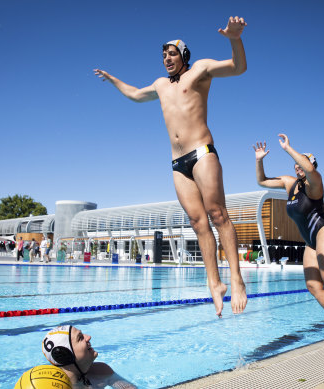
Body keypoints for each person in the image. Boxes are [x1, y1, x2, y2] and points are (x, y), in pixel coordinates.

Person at [94, 16, 248, 316]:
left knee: (217, 214)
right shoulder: (161, 85)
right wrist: (114, 80)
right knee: (197, 222)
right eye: (164, 54)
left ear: (184, 56)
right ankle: (214, 282)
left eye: (172, 53)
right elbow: (136, 96)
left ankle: (237, 278)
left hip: (202, 152)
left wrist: (234, 38)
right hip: (178, 163)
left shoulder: (200, 71)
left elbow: (238, 67)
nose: (167, 58)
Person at [253, 135, 324, 346]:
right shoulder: (290, 183)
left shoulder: (315, 182)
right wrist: (259, 160)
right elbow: (262, 181)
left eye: (302, 163)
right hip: (310, 239)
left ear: (310, 164)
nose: (298, 166)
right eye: (295, 164)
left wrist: (288, 148)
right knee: (314, 285)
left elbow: (309, 169)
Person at [42, 325, 136, 388]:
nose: (88, 337)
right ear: (65, 355)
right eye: (80, 338)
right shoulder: (51, 385)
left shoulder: (102, 371)